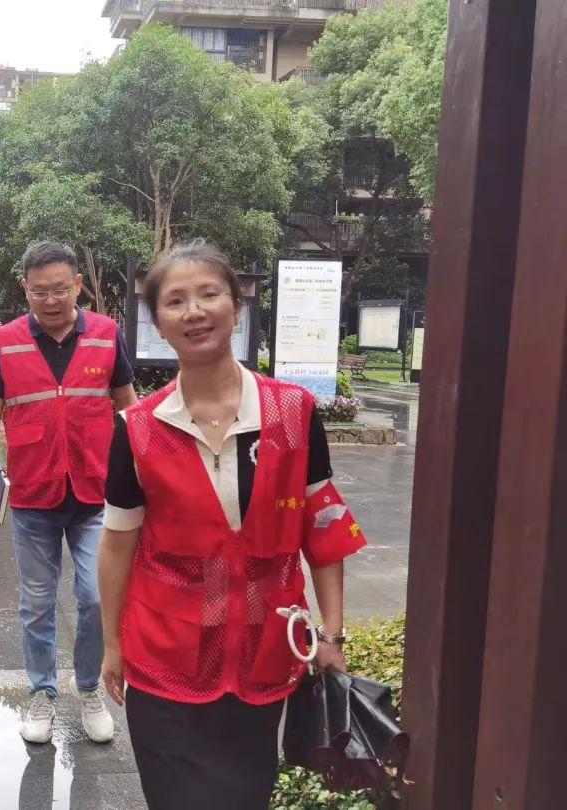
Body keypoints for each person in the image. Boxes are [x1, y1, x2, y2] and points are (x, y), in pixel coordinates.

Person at [97, 241, 367, 810]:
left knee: (245, 798)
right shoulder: (137, 430)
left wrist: (332, 634)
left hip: (263, 656)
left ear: (236, 309)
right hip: (164, 658)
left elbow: (323, 529)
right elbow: (118, 547)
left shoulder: (293, 412)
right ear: (158, 324)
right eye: (175, 301)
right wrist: (111, 645)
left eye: (209, 294)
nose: (194, 311)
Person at [0, 241, 138, 745]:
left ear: (78, 286)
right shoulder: (8, 340)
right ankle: (41, 693)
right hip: (33, 495)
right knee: (38, 603)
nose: (50, 300)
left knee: (93, 598)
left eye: (60, 289)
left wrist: (150, 470)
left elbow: (128, 405)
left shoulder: (107, 335)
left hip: (95, 492)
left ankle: (88, 689)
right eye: (39, 291)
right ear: (25, 288)